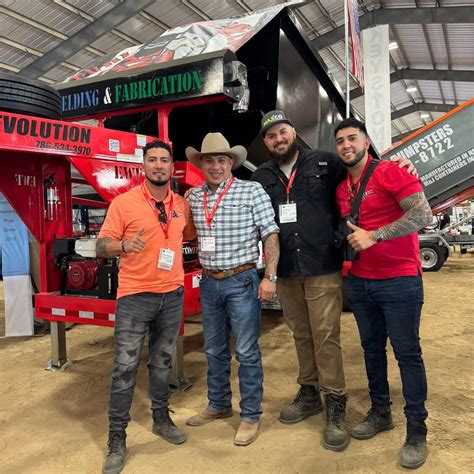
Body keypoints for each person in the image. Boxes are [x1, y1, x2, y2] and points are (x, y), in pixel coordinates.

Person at [251, 110, 416, 452]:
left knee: (326, 336)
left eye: (283, 132)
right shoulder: (261, 176)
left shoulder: (325, 162)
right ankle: (309, 391)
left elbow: (363, 171)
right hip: (287, 269)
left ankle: (335, 402)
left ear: (293, 132)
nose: (279, 139)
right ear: (265, 142)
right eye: (271, 136)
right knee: (301, 334)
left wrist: (399, 162)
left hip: (322, 265)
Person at [334, 118, 432, 469]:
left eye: (352, 138)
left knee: (407, 354)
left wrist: (375, 235)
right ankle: (381, 412)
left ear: (366, 142)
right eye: (340, 141)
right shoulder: (341, 188)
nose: (346, 145)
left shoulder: (391, 171)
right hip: (360, 281)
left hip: (400, 279)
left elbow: (422, 214)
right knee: (372, 350)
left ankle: (417, 430)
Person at [96, 139, 196, 474]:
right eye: (152, 160)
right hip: (135, 296)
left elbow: (188, 235)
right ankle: (116, 437)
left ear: (172, 166)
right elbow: (101, 245)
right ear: (143, 165)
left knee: (162, 362)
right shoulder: (124, 203)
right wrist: (123, 245)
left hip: (171, 294)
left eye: (164, 160)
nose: (158, 166)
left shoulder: (181, 204)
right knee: (124, 368)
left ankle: (161, 418)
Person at [184, 132, 280, 447]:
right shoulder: (193, 197)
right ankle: (219, 404)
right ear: (201, 164)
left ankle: (250, 415)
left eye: (221, 160)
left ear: (231, 163)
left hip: (242, 281)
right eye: (209, 160)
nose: (215, 166)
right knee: (213, 349)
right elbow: (187, 233)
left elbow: (270, 233)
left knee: (247, 351)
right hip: (209, 282)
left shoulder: (251, 191)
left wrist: (270, 277)